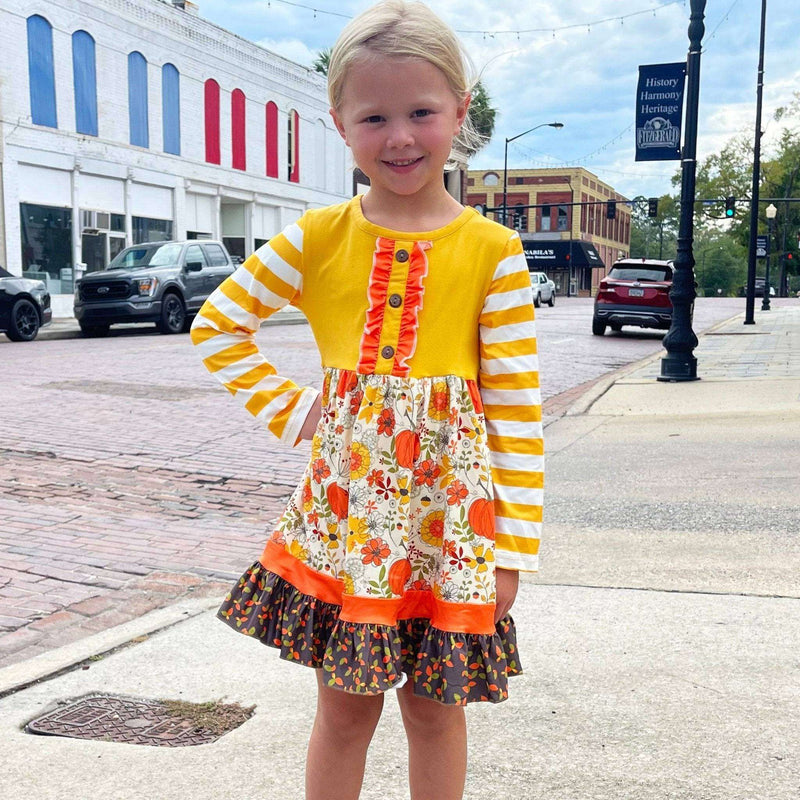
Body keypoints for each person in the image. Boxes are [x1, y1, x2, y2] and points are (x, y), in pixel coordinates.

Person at [191, 2, 543, 798]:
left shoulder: (495, 253)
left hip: (447, 532)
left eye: (421, 112)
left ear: (461, 111)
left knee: (433, 711)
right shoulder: (317, 236)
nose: (401, 138)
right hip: (346, 528)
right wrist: (298, 409)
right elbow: (218, 326)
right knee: (344, 713)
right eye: (374, 116)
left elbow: (517, 415)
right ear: (340, 125)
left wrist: (512, 552)